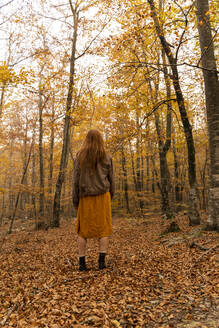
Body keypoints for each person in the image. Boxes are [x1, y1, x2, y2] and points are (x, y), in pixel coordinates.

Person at [72, 129, 115, 271]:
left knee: (82, 231)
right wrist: (111, 196)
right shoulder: (107, 157)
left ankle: (82, 264)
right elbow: (112, 180)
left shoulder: (80, 157)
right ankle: (101, 263)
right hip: (103, 197)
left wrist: (75, 200)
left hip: (85, 198)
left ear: (86, 140)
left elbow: (76, 181)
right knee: (103, 230)